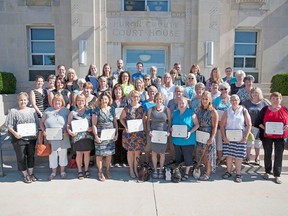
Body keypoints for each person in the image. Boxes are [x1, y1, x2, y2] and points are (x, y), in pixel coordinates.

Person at [5, 92, 39, 183]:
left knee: (31, 156)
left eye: (24, 100)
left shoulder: (32, 111)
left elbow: (37, 123)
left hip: (31, 138)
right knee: (21, 157)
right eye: (21, 100)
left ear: (27, 101)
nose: (23, 101)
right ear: (18, 101)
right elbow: (8, 125)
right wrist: (15, 133)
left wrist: (35, 132)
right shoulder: (13, 111)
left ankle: (31, 174)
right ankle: (25, 175)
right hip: (18, 139)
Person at [255, 92, 288, 184]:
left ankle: (277, 175)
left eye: (277, 98)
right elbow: (257, 122)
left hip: (280, 137)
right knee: (267, 153)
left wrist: (287, 126)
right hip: (267, 136)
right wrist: (266, 128)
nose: (275, 100)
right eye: (273, 98)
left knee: (279, 155)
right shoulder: (265, 109)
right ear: (270, 99)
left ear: (281, 100)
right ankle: (267, 171)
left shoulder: (285, 109)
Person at [220, 94, 252, 183]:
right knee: (229, 156)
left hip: (240, 137)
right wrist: (224, 137)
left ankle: (238, 174)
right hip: (229, 137)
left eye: (236, 100)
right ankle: (228, 172)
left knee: (239, 157)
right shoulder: (227, 111)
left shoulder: (244, 110)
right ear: (230, 101)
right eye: (232, 100)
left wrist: (245, 137)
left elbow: (249, 124)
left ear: (239, 101)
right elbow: (222, 125)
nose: (234, 102)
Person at [40, 94, 71, 180]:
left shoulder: (66, 111)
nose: (57, 102)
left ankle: (62, 171)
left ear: (62, 102)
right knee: (52, 155)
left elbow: (69, 123)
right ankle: (53, 172)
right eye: (55, 101)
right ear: (52, 102)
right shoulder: (47, 111)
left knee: (63, 154)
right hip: (51, 137)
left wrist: (67, 130)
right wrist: (43, 131)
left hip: (63, 136)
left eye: (59, 101)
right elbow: (41, 123)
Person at [171, 97, 199, 181]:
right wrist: (171, 129)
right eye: (179, 103)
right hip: (176, 140)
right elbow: (171, 124)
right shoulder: (174, 113)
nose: (181, 105)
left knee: (188, 157)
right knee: (178, 157)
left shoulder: (191, 113)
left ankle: (186, 173)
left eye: (183, 103)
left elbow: (197, 125)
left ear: (187, 104)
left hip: (188, 140)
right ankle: (179, 171)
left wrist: (190, 132)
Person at [120, 90, 146, 178]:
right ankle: (131, 169)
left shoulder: (142, 108)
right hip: (129, 134)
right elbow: (121, 119)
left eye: (137, 96)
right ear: (131, 97)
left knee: (137, 153)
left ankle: (135, 168)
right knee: (130, 152)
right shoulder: (126, 108)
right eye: (134, 96)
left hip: (139, 134)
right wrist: (125, 127)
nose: (136, 98)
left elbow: (143, 121)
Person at [67, 94, 94, 180]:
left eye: (82, 100)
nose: (80, 102)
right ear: (76, 102)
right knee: (79, 154)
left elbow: (94, 123)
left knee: (87, 153)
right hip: (77, 137)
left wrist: (91, 128)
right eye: (79, 100)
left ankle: (86, 170)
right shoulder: (73, 112)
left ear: (85, 101)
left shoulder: (89, 111)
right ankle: (79, 171)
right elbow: (68, 124)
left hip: (88, 136)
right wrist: (70, 131)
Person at [92, 92, 118, 181]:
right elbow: (94, 125)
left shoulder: (112, 109)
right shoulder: (96, 110)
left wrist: (117, 133)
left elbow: (115, 122)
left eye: (106, 99)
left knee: (109, 154)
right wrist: (96, 136)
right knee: (99, 154)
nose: (104, 101)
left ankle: (107, 170)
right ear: (100, 100)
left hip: (110, 135)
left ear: (109, 100)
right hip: (100, 135)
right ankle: (100, 172)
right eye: (102, 99)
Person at [242, 87, 270, 165]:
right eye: (253, 92)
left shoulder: (264, 103)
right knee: (249, 142)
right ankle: (247, 157)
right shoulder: (246, 102)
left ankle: (257, 157)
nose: (254, 94)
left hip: (260, 126)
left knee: (258, 143)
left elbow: (270, 110)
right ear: (251, 94)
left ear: (259, 93)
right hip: (249, 126)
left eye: (256, 92)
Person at [147, 93, 171, 179]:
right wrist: (149, 130)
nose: (158, 101)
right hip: (154, 134)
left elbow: (169, 122)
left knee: (162, 153)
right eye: (157, 99)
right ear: (155, 100)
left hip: (163, 134)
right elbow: (148, 122)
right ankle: (155, 169)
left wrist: (168, 131)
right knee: (153, 153)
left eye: (160, 99)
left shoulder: (167, 110)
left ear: (163, 100)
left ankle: (161, 169)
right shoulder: (151, 109)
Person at [196, 91, 218, 180]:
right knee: (203, 154)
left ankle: (208, 173)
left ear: (209, 100)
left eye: (206, 99)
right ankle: (205, 170)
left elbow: (215, 126)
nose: (204, 101)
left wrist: (211, 138)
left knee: (208, 155)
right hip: (201, 134)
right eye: (203, 99)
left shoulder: (213, 111)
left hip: (208, 135)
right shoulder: (200, 110)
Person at [213, 82, 231, 165]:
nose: (224, 91)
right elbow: (212, 111)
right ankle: (219, 158)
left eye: (225, 89)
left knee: (229, 142)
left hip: (229, 125)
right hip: (219, 124)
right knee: (219, 142)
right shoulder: (216, 100)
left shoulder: (232, 99)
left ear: (228, 89)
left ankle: (229, 158)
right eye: (222, 89)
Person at [111, 84, 129, 167]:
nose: (118, 91)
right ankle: (116, 161)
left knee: (124, 143)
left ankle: (124, 161)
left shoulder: (126, 101)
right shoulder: (111, 101)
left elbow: (128, 111)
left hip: (124, 124)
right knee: (116, 143)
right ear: (113, 91)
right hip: (114, 125)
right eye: (116, 90)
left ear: (122, 91)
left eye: (119, 90)